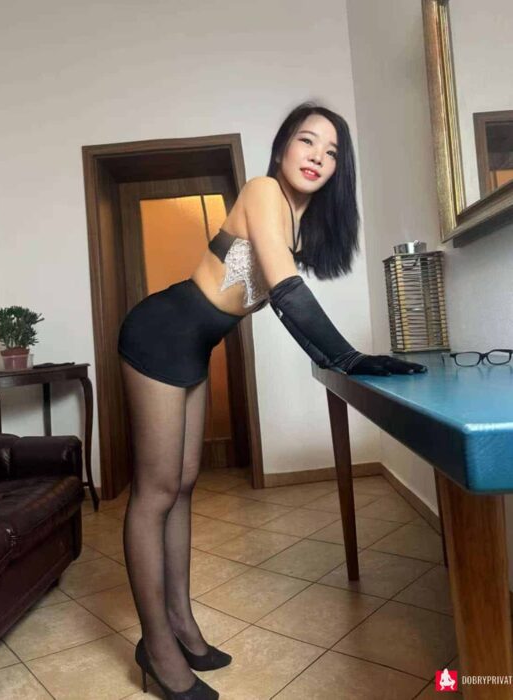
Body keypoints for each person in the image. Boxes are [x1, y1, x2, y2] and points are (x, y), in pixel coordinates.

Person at [117, 101, 427, 700]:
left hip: (195, 345)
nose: (317, 156)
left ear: (339, 170)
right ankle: (156, 648)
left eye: (331, 152)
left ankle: (182, 625)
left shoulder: (300, 225)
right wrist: (348, 358)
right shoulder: (263, 191)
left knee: (183, 485)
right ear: (283, 145)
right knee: (155, 491)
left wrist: (342, 359)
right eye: (307, 141)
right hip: (159, 332)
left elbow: (284, 297)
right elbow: (285, 291)